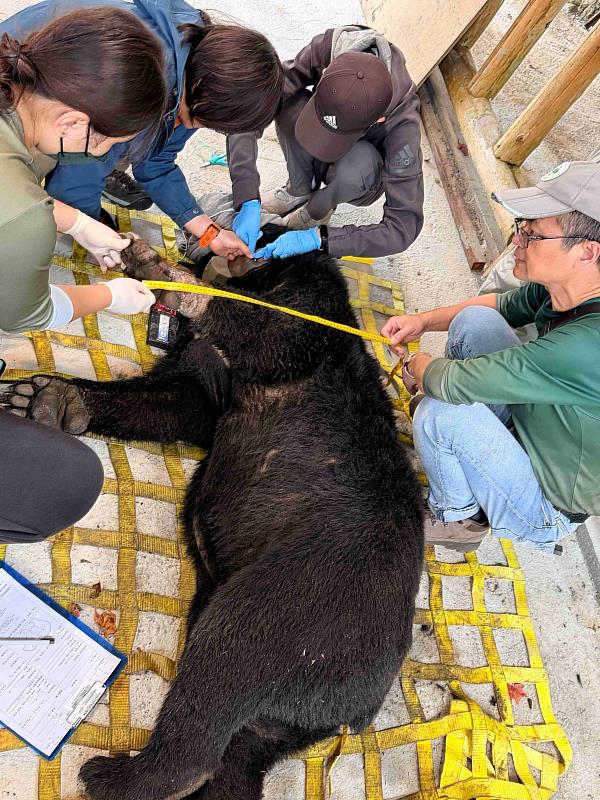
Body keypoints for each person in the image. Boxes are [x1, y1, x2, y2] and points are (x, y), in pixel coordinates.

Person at [0, 6, 168, 543]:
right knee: (69, 480)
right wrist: (108, 296)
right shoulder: (23, 217)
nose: (102, 156)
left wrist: (75, 222)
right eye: (104, 146)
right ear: (73, 122)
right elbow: (28, 311)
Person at [381, 161, 600, 555]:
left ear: (586, 252)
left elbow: (450, 382)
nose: (517, 241)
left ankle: (458, 518)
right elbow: (498, 305)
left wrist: (421, 369)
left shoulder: (588, 345)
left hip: (548, 502)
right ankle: (470, 455)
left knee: (442, 411)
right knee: (477, 321)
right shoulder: (569, 289)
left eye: (533, 234)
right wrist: (421, 321)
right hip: (539, 429)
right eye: (522, 228)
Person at [1, 0, 285, 262]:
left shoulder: (196, 74)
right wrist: (87, 227)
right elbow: (72, 185)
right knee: (26, 199)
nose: (204, 127)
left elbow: (157, 163)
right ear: (207, 99)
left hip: (56, 106)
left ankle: (107, 165)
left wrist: (210, 232)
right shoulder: (139, 87)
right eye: (213, 124)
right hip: (16, 92)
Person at [224, 25, 424, 261]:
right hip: (328, 143)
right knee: (283, 102)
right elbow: (253, 104)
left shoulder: (402, 124)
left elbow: (403, 227)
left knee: (359, 164)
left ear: (379, 119)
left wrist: (323, 238)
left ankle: (317, 209)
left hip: (357, 173)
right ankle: (298, 189)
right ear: (326, 72)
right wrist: (246, 193)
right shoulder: (329, 48)